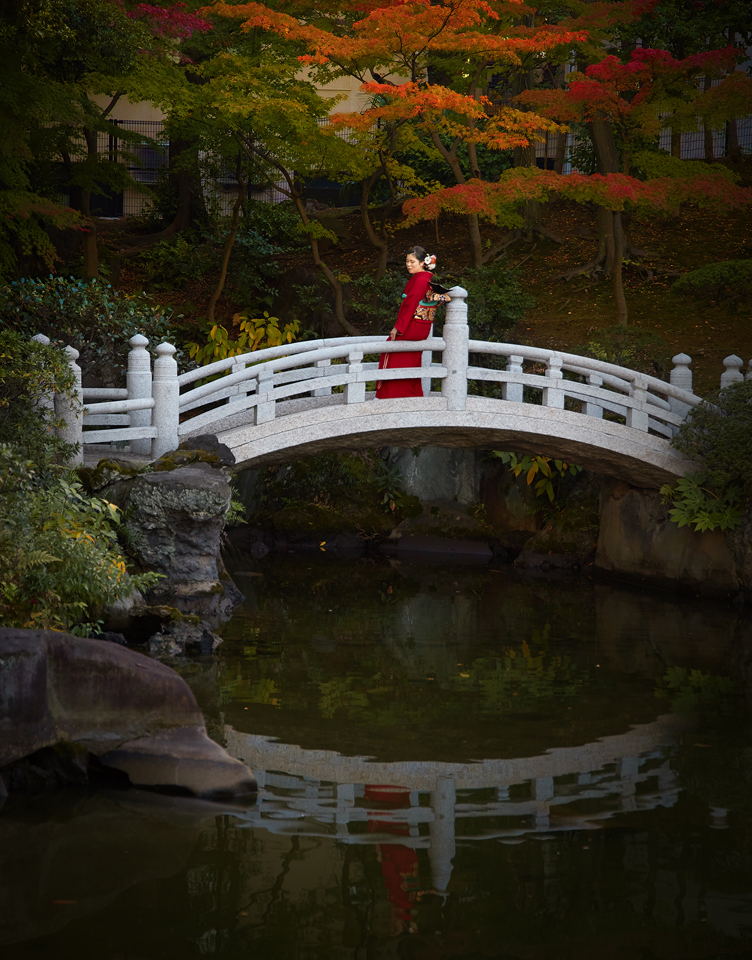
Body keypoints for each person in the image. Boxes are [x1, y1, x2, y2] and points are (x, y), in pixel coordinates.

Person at [375, 245, 449, 399]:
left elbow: (411, 303)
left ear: (423, 263)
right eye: (407, 261)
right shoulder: (424, 279)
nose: (408, 265)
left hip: (412, 325)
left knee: (391, 349)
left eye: (412, 262)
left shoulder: (420, 280)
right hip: (422, 326)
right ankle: (412, 394)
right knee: (410, 357)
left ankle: (389, 395)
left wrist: (398, 327)